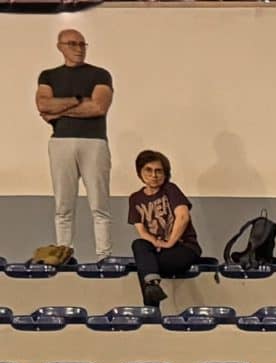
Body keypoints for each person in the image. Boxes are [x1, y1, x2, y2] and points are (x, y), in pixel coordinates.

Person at [34, 27, 113, 263]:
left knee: (99, 204)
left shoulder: (100, 74)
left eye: (82, 44)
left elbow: (98, 107)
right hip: (61, 142)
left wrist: (60, 110)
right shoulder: (48, 76)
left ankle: (104, 256)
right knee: (63, 205)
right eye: (72, 44)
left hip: (94, 142)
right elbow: (43, 105)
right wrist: (79, 100)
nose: (78, 49)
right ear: (60, 47)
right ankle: (63, 253)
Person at [125, 148, 193, 308]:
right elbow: (142, 231)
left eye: (158, 171)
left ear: (165, 173)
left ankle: (151, 309)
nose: (153, 175)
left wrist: (169, 243)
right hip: (158, 250)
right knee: (139, 245)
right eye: (148, 170)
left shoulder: (171, 189)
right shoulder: (135, 198)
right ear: (140, 172)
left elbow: (183, 217)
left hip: (182, 248)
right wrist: (157, 243)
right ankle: (152, 286)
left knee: (145, 266)